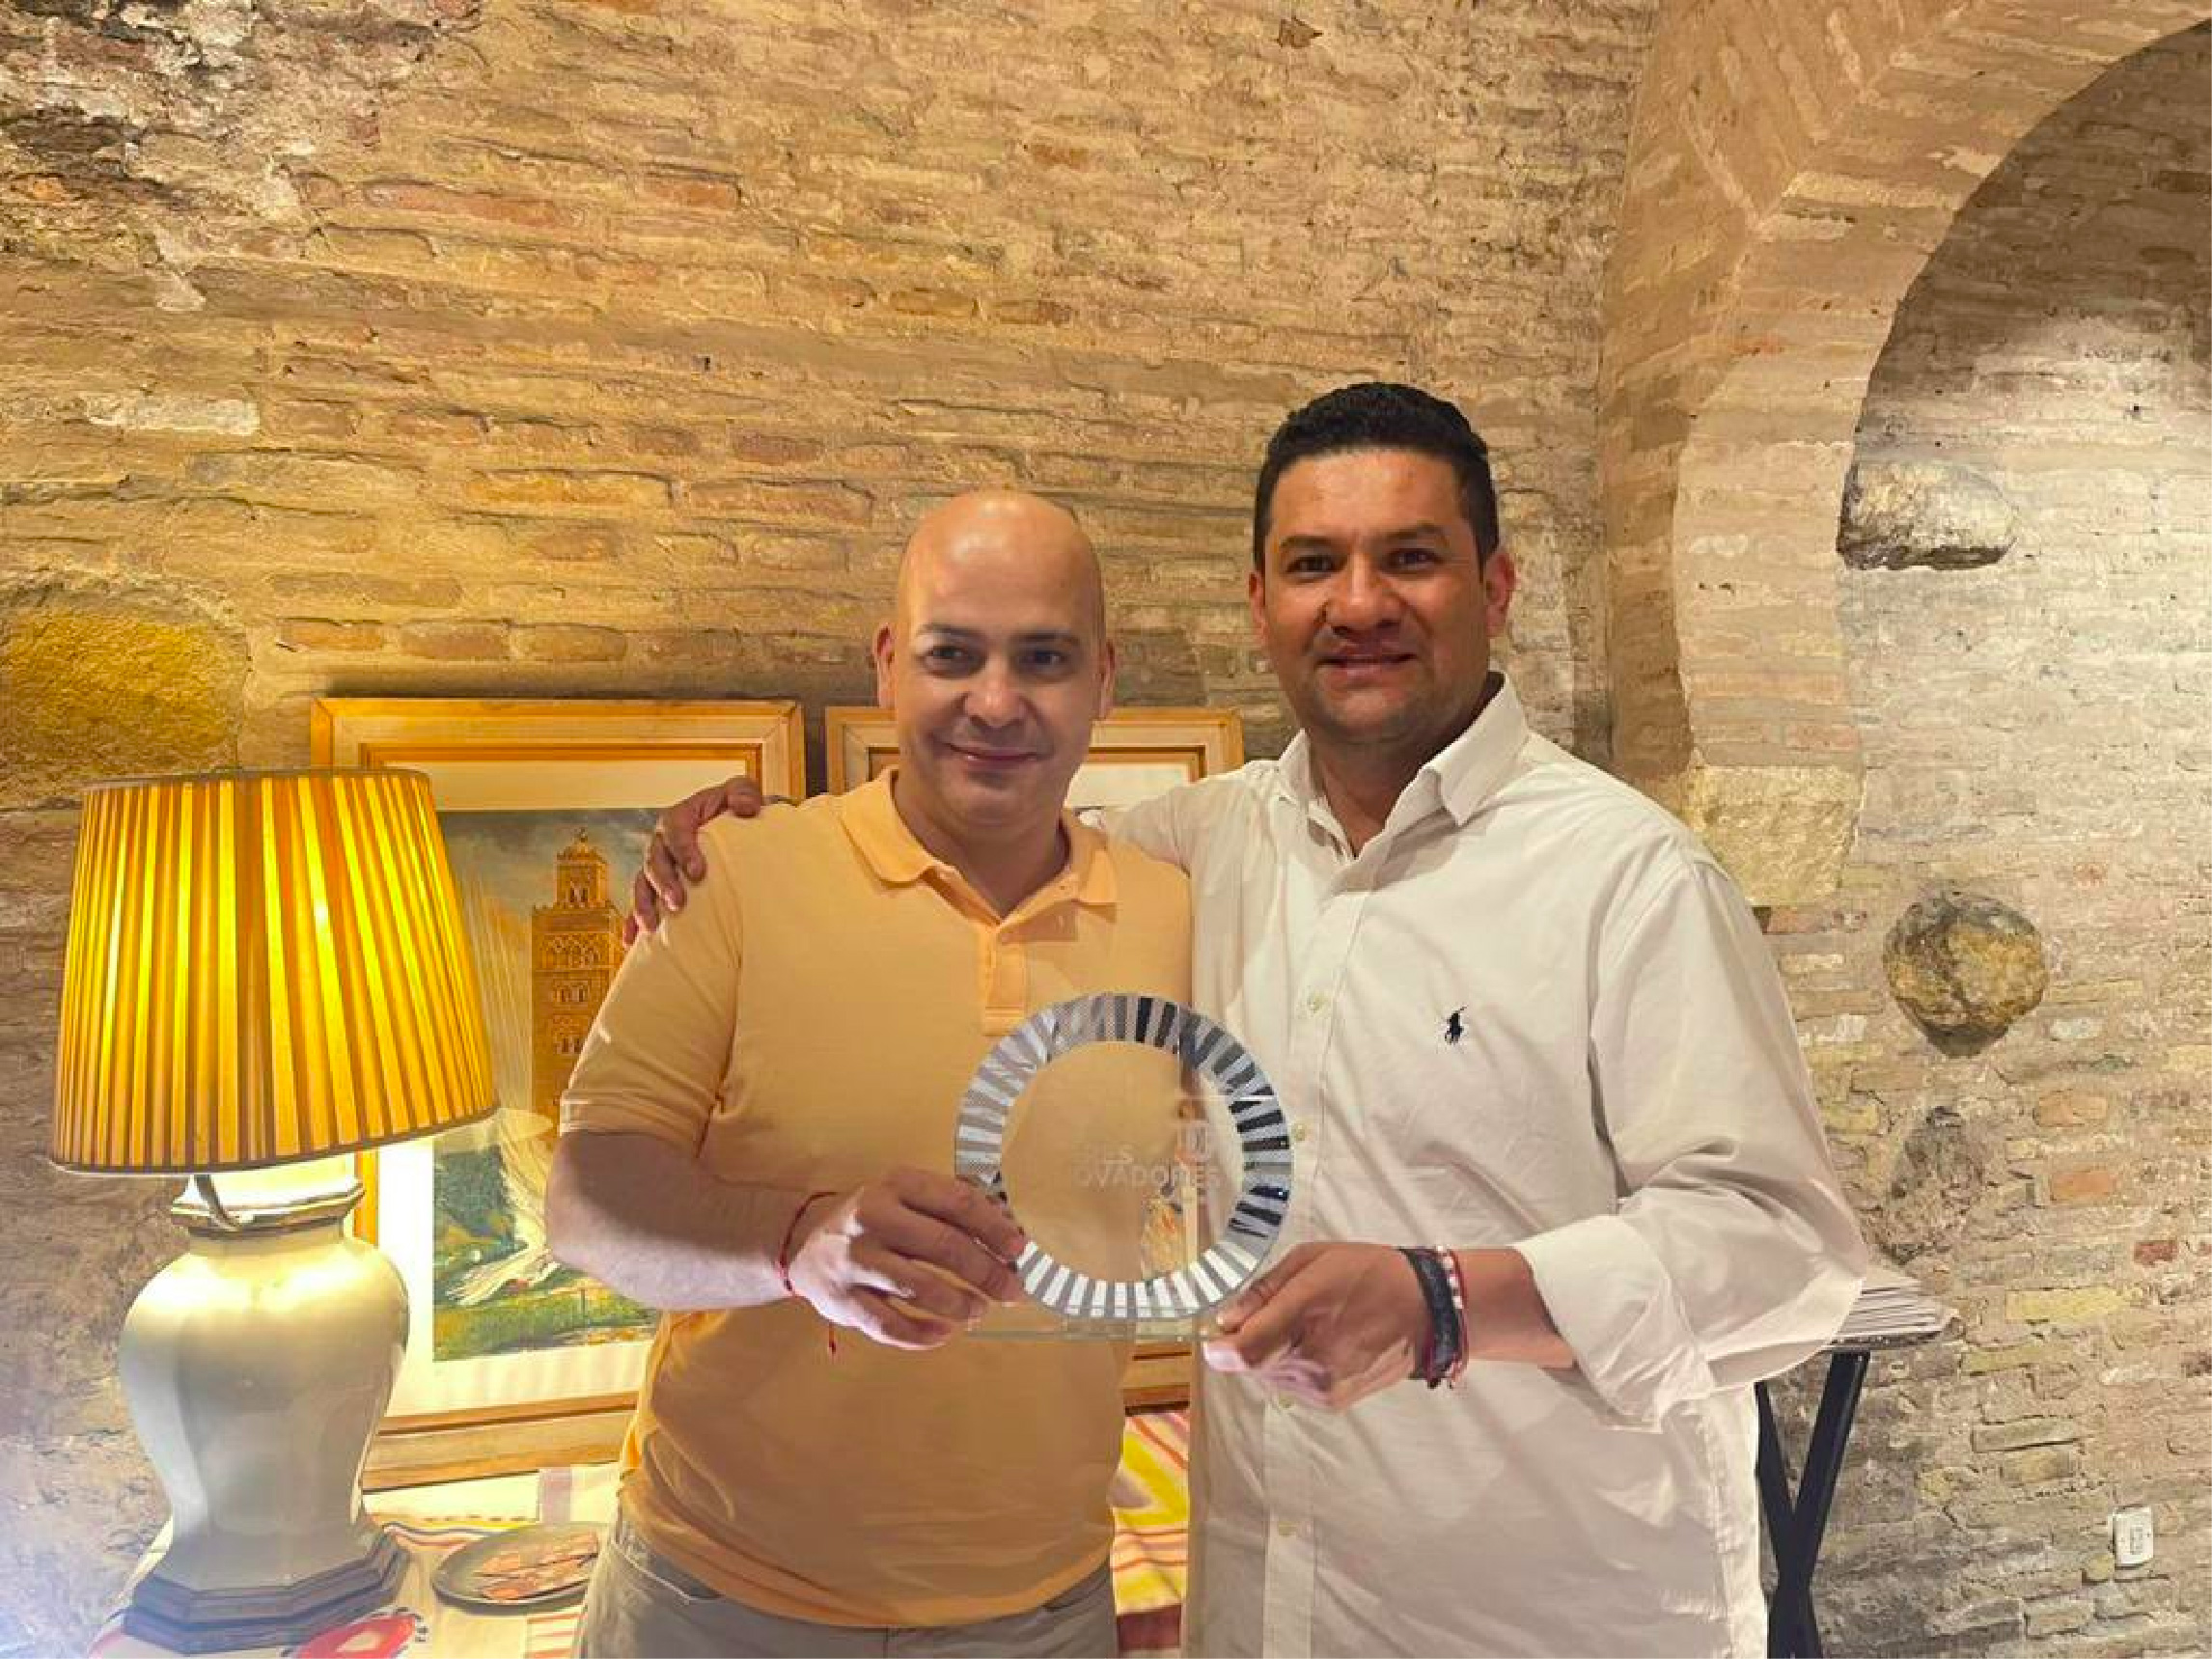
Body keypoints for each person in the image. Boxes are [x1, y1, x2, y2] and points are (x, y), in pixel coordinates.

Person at [632, 383, 1867, 1657]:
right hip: (1270, 1611)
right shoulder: (1194, 848)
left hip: (1549, 1617)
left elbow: (1785, 1253)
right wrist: (750, 842)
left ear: (1495, 589)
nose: (1359, 603)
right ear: (1260, 600)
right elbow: (979, 831)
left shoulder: (1630, 876)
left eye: (1411, 558)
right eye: (1314, 564)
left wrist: (1444, 1303)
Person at [545, 488, 1193, 1657]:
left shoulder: (1180, 917)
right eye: (953, 654)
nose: (994, 700)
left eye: (1043, 659)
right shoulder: (736, 878)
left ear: (1104, 679)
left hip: (1042, 1615)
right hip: (715, 1604)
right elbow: (587, 1208)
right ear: (890, 664)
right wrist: (796, 1244)